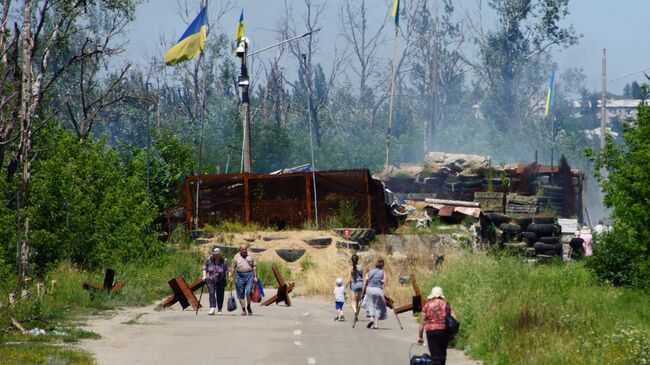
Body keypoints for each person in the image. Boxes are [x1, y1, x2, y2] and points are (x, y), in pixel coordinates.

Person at [418, 287, 457, 365]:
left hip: (431, 332)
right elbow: (454, 320)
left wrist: (420, 336)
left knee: (435, 356)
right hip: (444, 332)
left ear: (432, 295)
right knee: (442, 355)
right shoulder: (447, 305)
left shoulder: (427, 305)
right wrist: (452, 334)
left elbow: (422, 323)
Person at [229, 244, 258, 316]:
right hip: (239, 276)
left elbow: (254, 266)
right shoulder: (236, 256)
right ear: (240, 250)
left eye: (245, 249)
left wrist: (255, 276)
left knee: (248, 292)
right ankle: (243, 309)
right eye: (243, 249)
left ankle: (248, 306)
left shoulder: (251, 255)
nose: (244, 251)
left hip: (249, 275)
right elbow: (233, 267)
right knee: (240, 293)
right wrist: (231, 276)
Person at [202, 247, 230, 315]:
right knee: (211, 292)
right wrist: (204, 276)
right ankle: (212, 307)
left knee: (220, 294)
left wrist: (230, 276)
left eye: (218, 254)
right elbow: (204, 268)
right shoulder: (209, 259)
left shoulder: (224, 260)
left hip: (221, 279)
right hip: (210, 279)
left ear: (220, 254)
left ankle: (219, 309)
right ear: (213, 254)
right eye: (215, 254)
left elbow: (227, 270)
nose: (217, 256)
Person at [364, 258, 388, 329]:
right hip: (378, 290)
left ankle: (371, 319)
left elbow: (366, 281)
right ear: (382, 265)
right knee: (378, 307)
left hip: (369, 289)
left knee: (370, 305)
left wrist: (363, 291)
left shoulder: (370, 271)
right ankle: (376, 325)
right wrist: (389, 295)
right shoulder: (383, 272)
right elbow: (385, 284)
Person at [345, 254, 364, 321]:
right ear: (358, 259)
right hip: (360, 284)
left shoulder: (350, 268)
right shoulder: (361, 267)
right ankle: (357, 314)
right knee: (358, 301)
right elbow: (363, 277)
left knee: (353, 300)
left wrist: (345, 287)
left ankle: (355, 311)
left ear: (351, 260)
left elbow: (349, 279)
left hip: (354, 284)